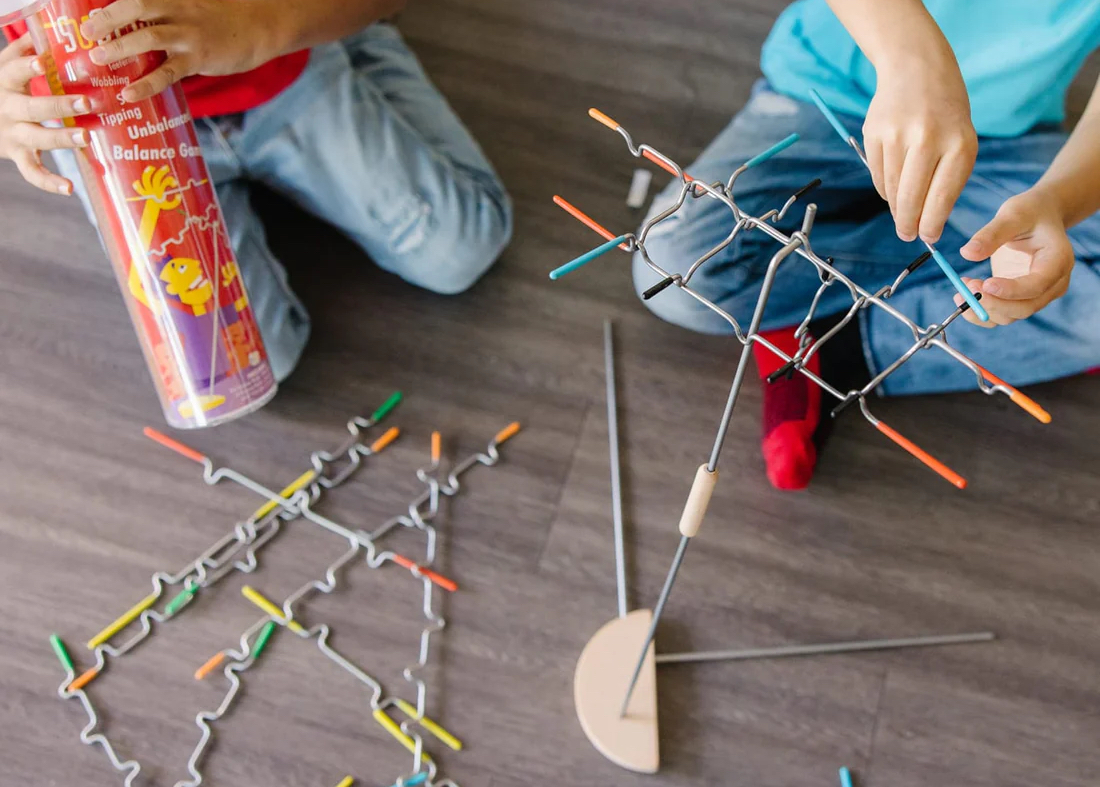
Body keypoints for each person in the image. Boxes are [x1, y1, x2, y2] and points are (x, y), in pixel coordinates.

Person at [632, 0, 1100, 490]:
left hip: (1004, 140)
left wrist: (1056, 204)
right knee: (674, 270)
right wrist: (912, 62)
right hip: (828, 92)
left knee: (1037, 258)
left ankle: (835, 346)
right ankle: (844, 293)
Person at [0, 0, 513, 381]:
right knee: (241, 368)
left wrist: (264, 24)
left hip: (278, 59)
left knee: (459, 250)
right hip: (122, 138)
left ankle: (356, 39)